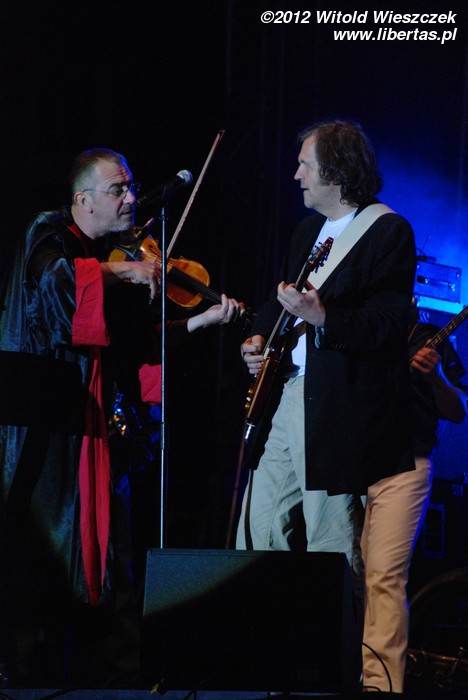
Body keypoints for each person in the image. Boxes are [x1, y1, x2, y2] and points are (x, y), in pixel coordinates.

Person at [0, 147, 243, 688]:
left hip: (94, 423)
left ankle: (117, 675)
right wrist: (127, 269)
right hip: (44, 426)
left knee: (111, 548)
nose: (131, 198)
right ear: (83, 199)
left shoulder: (106, 254)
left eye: (131, 187)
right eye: (119, 189)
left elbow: (128, 344)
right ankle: (32, 673)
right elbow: (58, 287)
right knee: (46, 551)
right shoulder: (49, 232)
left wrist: (201, 321)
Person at [235, 119, 416, 681]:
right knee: (262, 524)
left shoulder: (386, 231)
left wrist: (324, 318)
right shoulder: (306, 232)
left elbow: (389, 325)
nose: (295, 176)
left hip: (335, 409)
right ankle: (272, 660)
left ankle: (338, 671)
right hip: (287, 395)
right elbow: (279, 300)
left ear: (336, 172)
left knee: (329, 541)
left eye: (305, 166)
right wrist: (257, 337)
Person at [361, 303, 468, 693]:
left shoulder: (426, 336)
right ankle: (350, 672)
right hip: (355, 467)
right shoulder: (361, 329)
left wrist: (435, 379)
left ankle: (382, 685)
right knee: (354, 575)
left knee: (385, 575)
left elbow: (458, 410)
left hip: (408, 465)